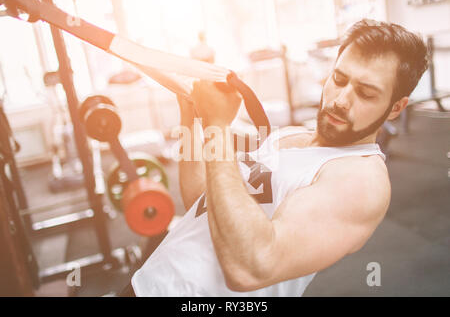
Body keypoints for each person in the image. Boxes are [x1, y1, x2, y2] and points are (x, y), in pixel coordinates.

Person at [123, 19, 429, 296]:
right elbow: (203, 204)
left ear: (395, 108)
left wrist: (217, 127)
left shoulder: (360, 179)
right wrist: (191, 118)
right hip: (145, 285)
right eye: (339, 78)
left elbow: (252, 268)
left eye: (366, 93)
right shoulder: (289, 135)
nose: (340, 100)